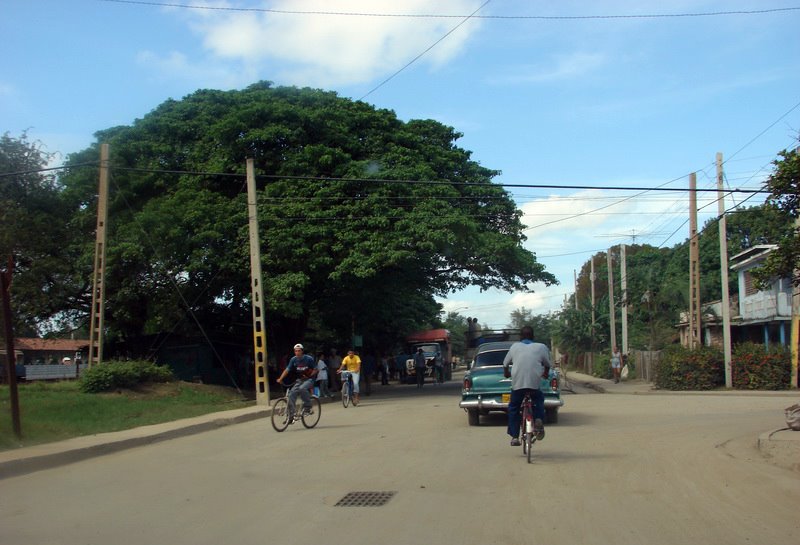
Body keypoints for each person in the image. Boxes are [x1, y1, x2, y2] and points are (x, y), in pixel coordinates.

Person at [503, 325, 551, 446]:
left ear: (520, 337)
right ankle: (538, 418)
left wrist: (507, 373)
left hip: (518, 384)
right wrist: (545, 373)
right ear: (533, 336)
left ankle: (514, 436)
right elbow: (547, 364)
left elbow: (505, 364)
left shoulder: (515, 347)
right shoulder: (541, 347)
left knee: (514, 407)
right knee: (539, 399)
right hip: (534, 383)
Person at [276, 343, 318, 421]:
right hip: (300, 380)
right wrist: (280, 378)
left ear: (302, 351)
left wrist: (309, 375)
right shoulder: (293, 359)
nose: (297, 352)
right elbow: (287, 370)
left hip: (310, 379)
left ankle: (308, 407)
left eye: (299, 351)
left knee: (302, 389)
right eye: (296, 351)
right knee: (291, 394)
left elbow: (316, 369)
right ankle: (292, 415)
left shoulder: (309, 359)